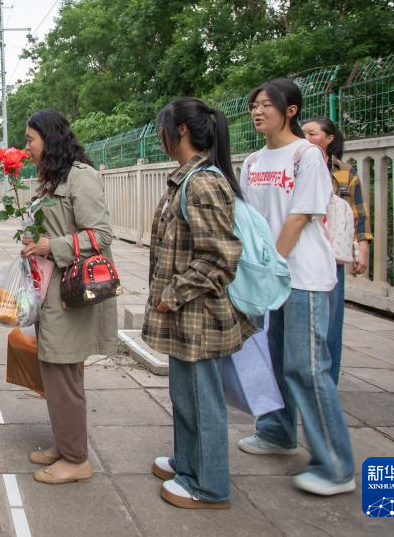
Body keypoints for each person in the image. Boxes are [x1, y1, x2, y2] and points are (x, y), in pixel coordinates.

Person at [238, 78, 355, 496]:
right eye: (254, 105)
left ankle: (336, 466)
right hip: (268, 276)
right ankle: (276, 432)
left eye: (267, 104)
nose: (258, 111)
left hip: (303, 276)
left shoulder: (307, 156)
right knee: (273, 360)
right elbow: (250, 220)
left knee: (306, 367)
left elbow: (300, 216)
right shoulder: (253, 162)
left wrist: (272, 266)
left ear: (290, 110)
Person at [143, 98, 253, 509]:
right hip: (185, 314)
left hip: (197, 314)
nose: (160, 136)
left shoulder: (202, 183)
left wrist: (172, 294)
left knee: (202, 402)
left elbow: (219, 257)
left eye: (163, 128)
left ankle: (209, 486)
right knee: (185, 395)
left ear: (182, 130)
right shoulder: (190, 178)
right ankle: (187, 464)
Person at [17, 109, 117, 485]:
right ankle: (65, 443)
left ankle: (76, 459)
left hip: (70, 292)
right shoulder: (53, 178)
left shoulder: (81, 177)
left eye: (31, 139)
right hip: (51, 288)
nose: (27, 147)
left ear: (50, 139)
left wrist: (50, 245)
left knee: (63, 373)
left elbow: (101, 235)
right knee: (55, 371)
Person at [301, 117, 373, 384]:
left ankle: (327, 380)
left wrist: (362, 246)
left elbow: (357, 212)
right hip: (303, 249)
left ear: (330, 138)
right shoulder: (296, 164)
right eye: (303, 133)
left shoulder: (343, 172)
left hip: (332, 254)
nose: (307, 138)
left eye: (313, 133)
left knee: (331, 318)